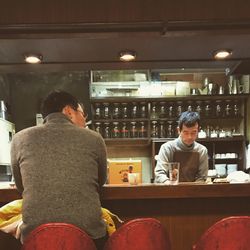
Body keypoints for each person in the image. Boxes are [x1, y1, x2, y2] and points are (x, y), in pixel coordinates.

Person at [10, 90, 108, 249]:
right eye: (82, 114)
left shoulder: (19, 139)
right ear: (69, 111)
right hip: (88, 237)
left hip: (36, 237)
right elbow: (101, 181)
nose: (84, 120)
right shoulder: (94, 138)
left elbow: (21, 187)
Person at [154, 111, 208, 183]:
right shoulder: (167, 148)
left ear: (198, 130)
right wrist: (171, 185)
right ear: (179, 130)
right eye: (186, 132)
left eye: (193, 132)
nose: (189, 137)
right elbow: (159, 174)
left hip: (192, 192)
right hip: (169, 190)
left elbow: (202, 177)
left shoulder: (202, 150)